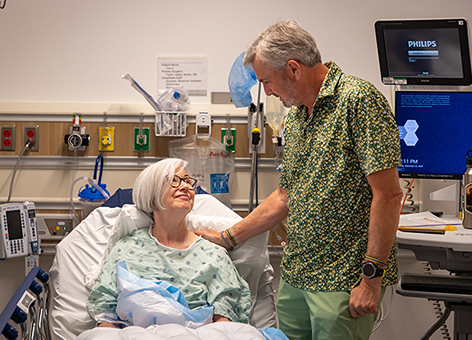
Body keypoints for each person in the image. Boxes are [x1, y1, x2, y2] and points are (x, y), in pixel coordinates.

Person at [196, 20, 403, 340]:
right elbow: (285, 195)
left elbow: (388, 195)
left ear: (293, 69)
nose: (266, 91)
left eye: (267, 80)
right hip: (296, 276)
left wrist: (371, 278)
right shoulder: (296, 118)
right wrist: (228, 237)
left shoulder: (358, 101)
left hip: (342, 280)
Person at [86, 158, 252, 328]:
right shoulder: (127, 249)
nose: (185, 186)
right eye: (173, 181)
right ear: (150, 196)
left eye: (188, 181)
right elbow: (105, 314)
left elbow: (225, 321)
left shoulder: (213, 254)